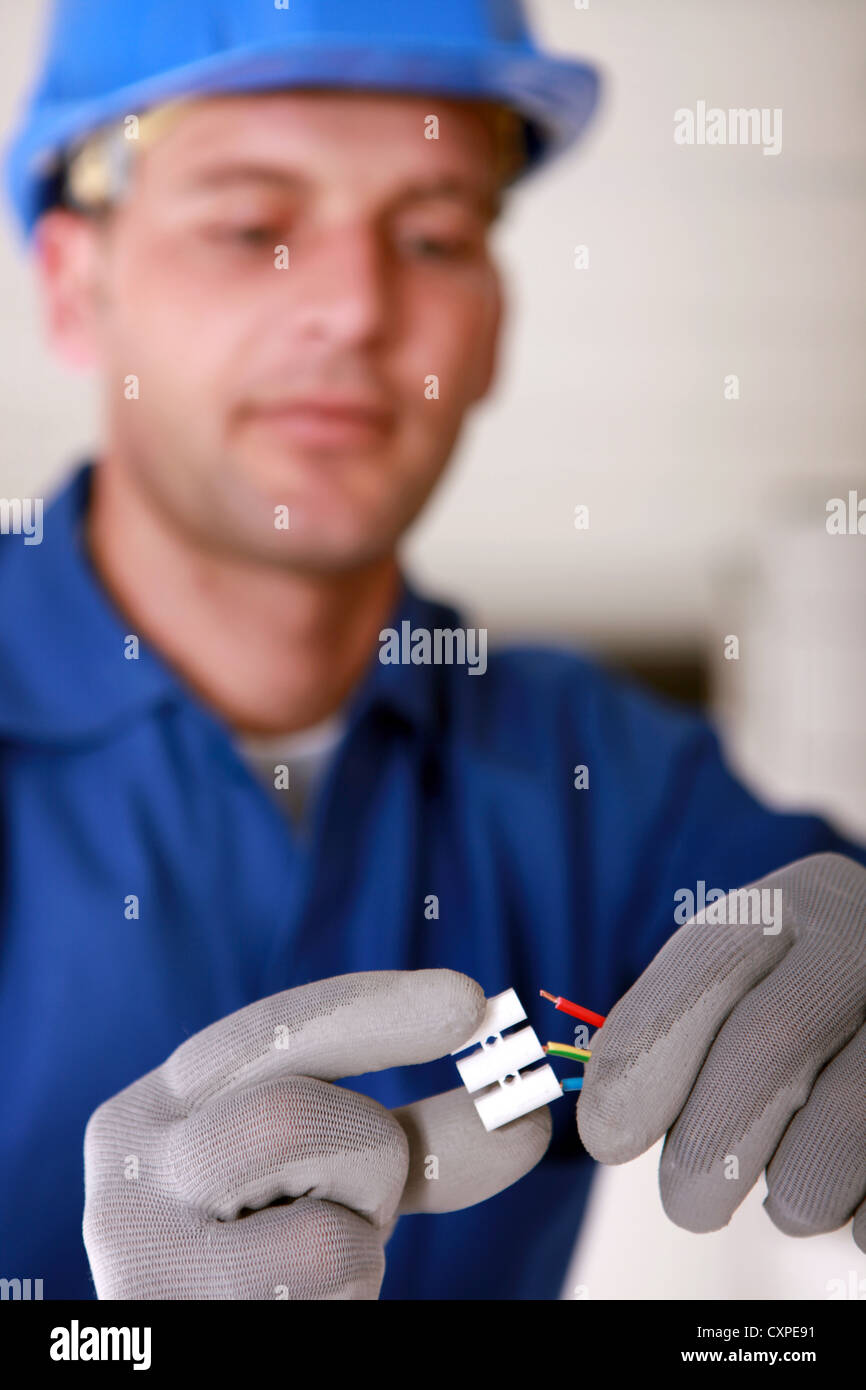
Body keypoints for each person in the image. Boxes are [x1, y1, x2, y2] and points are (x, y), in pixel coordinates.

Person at [1, 0, 864, 1301]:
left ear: (495, 325)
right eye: (253, 226)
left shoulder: (610, 782)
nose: (355, 307)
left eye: (432, 234)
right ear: (77, 287)